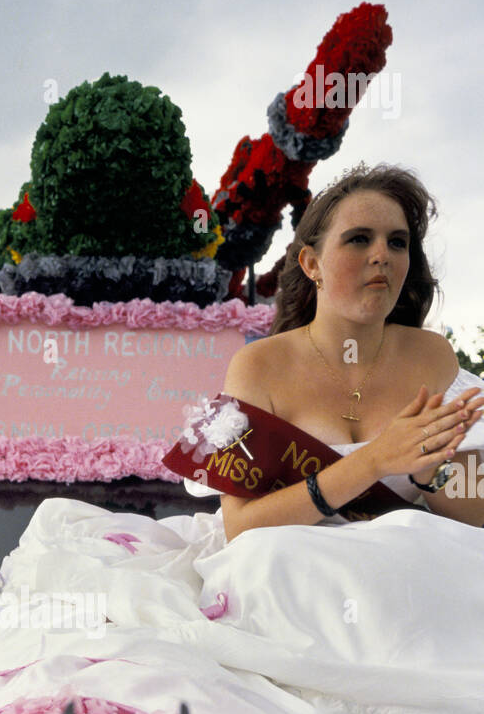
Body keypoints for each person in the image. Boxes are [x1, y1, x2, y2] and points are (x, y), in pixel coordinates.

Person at [205, 164, 484, 540]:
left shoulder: (431, 355)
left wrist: (431, 473)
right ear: (311, 263)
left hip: (407, 564)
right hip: (287, 570)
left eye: (397, 242)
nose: (382, 254)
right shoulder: (258, 366)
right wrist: (373, 461)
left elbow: (473, 518)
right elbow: (239, 528)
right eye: (359, 239)